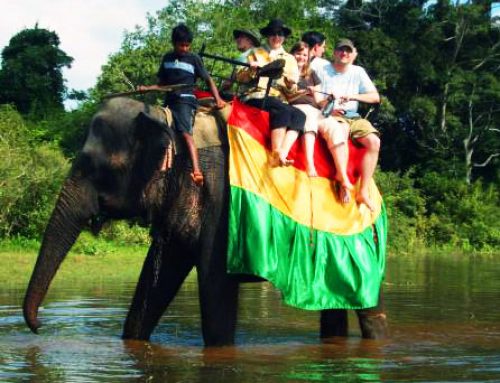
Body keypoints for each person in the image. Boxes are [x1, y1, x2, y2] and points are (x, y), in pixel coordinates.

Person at [137, 23, 225, 186]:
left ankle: (196, 170)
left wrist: (217, 98)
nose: (184, 48)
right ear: (174, 43)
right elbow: (162, 84)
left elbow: (208, 79)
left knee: (185, 132)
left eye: (187, 45)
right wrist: (147, 88)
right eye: (181, 45)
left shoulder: (194, 59)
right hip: (169, 100)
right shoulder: (167, 59)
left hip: (185, 100)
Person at [318, 38, 381, 211]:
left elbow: (375, 97)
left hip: (354, 115)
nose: (344, 54)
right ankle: (342, 183)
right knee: (342, 131)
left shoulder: (358, 71)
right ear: (334, 52)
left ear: (354, 54)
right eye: (340, 50)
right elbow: (312, 93)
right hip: (333, 114)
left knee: (375, 142)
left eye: (348, 51)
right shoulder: (322, 68)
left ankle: (364, 191)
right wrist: (327, 104)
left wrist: (354, 97)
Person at [287, 42, 353, 202]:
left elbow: (318, 101)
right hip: (297, 106)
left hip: (314, 109)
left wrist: (329, 100)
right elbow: (286, 96)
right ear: (292, 54)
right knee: (309, 119)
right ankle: (310, 164)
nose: (301, 57)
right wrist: (302, 92)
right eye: (298, 53)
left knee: (335, 128)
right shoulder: (288, 70)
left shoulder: (312, 74)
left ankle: (342, 175)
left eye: (304, 55)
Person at [235, 19, 306, 166]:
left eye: (280, 34)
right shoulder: (254, 53)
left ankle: (283, 153)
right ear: (268, 36)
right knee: (282, 110)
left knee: (300, 115)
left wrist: (290, 84)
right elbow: (239, 77)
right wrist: (251, 70)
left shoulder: (290, 59)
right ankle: (275, 151)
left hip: (279, 97)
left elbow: (291, 92)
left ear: (284, 37)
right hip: (256, 94)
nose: (276, 37)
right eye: (273, 34)